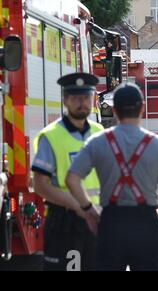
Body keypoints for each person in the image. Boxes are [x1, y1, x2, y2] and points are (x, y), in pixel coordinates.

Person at [66, 83, 158, 271]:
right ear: (142, 108)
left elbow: (71, 179)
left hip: (111, 223)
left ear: (115, 110)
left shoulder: (97, 142)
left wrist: (89, 209)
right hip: (145, 225)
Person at [32, 73, 104, 271]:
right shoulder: (51, 136)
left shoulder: (100, 133)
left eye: (86, 98)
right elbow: (40, 184)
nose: (82, 103)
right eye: (75, 98)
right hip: (65, 223)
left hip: (97, 221)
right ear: (65, 101)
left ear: (92, 99)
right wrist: (78, 206)